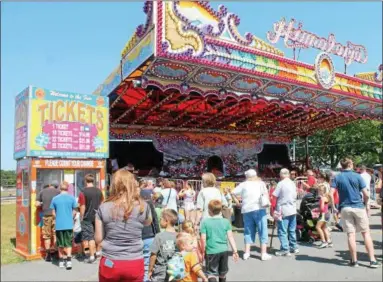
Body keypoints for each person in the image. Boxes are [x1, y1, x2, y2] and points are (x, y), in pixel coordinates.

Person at [95, 169, 152, 282]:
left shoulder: (104, 207)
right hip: (134, 261)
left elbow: (98, 239)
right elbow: (148, 223)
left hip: (110, 261)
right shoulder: (143, 206)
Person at [330, 158, 381, 268]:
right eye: (352, 163)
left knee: (351, 235)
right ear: (349, 164)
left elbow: (331, 193)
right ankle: (372, 260)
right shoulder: (357, 176)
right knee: (366, 233)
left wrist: (334, 206)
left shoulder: (337, 177)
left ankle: (354, 261)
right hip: (358, 206)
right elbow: (366, 194)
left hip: (345, 208)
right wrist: (366, 203)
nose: (353, 164)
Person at [231, 169, 272, 261]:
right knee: (262, 230)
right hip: (259, 208)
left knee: (248, 231)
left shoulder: (243, 184)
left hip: (247, 209)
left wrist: (237, 201)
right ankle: (263, 253)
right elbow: (266, 195)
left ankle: (247, 252)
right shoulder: (261, 183)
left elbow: (232, 192)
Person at [200, 200, 239, 282]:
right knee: (222, 273)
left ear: (209, 211)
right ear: (221, 210)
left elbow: (203, 239)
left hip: (211, 251)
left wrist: (202, 251)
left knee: (211, 274)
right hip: (224, 251)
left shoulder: (205, 222)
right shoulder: (226, 222)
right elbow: (230, 237)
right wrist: (235, 251)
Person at [50, 181, 78, 269]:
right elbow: (74, 211)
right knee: (68, 243)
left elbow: (53, 213)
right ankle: (69, 261)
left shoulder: (55, 198)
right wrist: (71, 217)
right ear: (67, 188)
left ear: (59, 188)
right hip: (69, 224)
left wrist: (58, 217)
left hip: (59, 225)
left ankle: (61, 261)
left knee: (60, 243)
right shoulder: (72, 198)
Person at [273, 168, 299, 256]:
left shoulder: (281, 183)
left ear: (281, 175)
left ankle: (285, 249)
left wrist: (273, 208)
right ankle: (293, 246)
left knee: (282, 230)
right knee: (292, 229)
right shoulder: (292, 183)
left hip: (283, 209)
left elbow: (275, 196)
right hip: (292, 208)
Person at [78, 174, 104, 263]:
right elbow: (102, 203)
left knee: (90, 237)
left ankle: (92, 256)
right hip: (97, 216)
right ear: (93, 181)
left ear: (85, 181)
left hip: (87, 217)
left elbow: (83, 206)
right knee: (98, 235)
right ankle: (98, 252)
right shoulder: (99, 191)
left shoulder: (83, 192)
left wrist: (81, 216)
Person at [148, 209, 178, 282]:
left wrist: (150, 269)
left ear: (166, 221)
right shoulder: (179, 236)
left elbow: (153, 255)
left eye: (161, 219)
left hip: (160, 271)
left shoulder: (159, 236)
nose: (159, 221)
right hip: (175, 271)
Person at [141, 185, 161, 282]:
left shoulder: (132, 204)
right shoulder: (149, 204)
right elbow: (155, 220)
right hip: (149, 235)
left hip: (136, 236)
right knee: (146, 263)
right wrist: (158, 234)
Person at [36, 183, 60, 261]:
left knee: (47, 235)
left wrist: (42, 204)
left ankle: (48, 254)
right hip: (56, 216)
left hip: (46, 215)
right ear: (56, 186)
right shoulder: (58, 192)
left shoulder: (42, 191)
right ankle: (56, 252)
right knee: (55, 234)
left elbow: (36, 204)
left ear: (49, 185)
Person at [315, 184, 333, 249]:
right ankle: (329, 241)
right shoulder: (326, 197)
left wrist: (316, 210)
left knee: (318, 227)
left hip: (323, 214)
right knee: (324, 227)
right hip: (327, 214)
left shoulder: (322, 198)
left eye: (319, 190)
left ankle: (323, 242)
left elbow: (322, 208)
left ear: (321, 191)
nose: (318, 192)